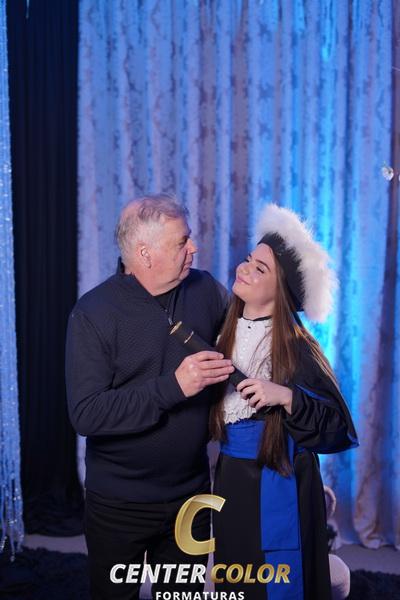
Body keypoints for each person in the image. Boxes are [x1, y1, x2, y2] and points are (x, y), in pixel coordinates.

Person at [65, 194, 234, 600]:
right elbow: (87, 414)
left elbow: (252, 338)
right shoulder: (92, 313)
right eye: (182, 241)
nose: (194, 247)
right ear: (145, 253)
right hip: (118, 505)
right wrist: (174, 387)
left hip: (191, 497)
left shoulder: (206, 290)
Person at [210, 204, 358, 600]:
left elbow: (339, 429)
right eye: (248, 259)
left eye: (260, 269)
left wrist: (287, 397)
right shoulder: (223, 329)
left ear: (281, 291)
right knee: (236, 577)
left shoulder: (297, 348)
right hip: (231, 480)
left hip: (279, 482)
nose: (244, 269)